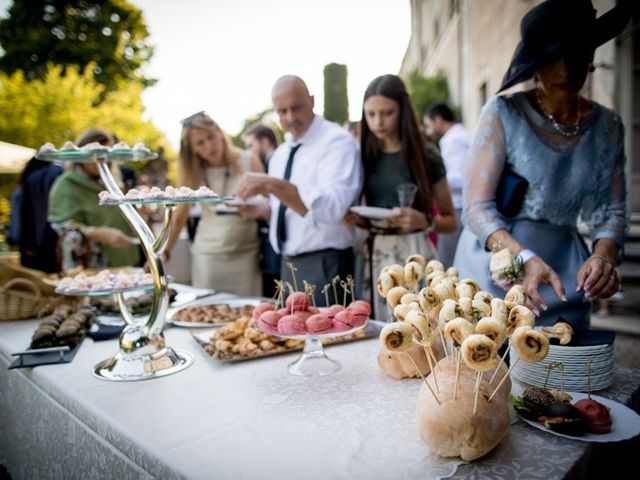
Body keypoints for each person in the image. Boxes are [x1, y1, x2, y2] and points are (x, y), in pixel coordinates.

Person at [453, 0, 631, 328]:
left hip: (565, 273)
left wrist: (602, 257)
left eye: (576, 53)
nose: (565, 70)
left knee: (567, 368)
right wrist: (523, 258)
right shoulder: (502, 113)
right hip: (499, 264)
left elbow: (613, 214)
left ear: (591, 56)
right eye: (552, 58)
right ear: (534, 64)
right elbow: (475, 208)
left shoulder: (609, 127)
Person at [236, 75, 363, 305]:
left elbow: (332, 208)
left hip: (325, 262)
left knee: (327, 339)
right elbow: (286, 211)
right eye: (282, 111)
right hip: (286, 264)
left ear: (312, 100)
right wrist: (260, 211)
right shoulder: (280, 154)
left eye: (296, 107)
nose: (290, 117)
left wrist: (273, 185)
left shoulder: (337, 142)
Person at [345, 74, 457, 319]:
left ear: (403, 110)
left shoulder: (426, 155)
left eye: (387, 113)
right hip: (375, 255)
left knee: (419, 330)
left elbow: (451, 221)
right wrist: (356, 218)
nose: (378, 122)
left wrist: (425, 221)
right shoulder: (362, 154)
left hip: (414, 254)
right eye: (371, 114)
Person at [165, 111, 264, 295]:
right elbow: (179, 217)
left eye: (210, 137)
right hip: (208, 257)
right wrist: (164, 252)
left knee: (247, 318)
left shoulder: (249, 160)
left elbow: (269, 201)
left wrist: (252, 208)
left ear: (219, 132)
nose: (209, 146)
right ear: (192, 149)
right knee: (207, 314)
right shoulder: (193, 172)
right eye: (200, 143)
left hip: (246, 255)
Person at [48, 128, 140, 270]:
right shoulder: (66, 185)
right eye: (99, 154)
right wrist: (96, 234)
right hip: (90, 267)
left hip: (123, 262)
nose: (106, 160)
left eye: (109, 154)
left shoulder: (110, 182)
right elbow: (62, 227)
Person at [424, 102, 470, 268]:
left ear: (438, 120)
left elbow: (460, 179)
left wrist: (435, 182)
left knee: (447, 263)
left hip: (457, 206)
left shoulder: (453, 140)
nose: (428, 131)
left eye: (428, 125)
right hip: (461, 205)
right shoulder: (461, 136)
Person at [244, 124, 281, 298]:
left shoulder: (276, 161)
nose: (249, 151)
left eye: (251, 145)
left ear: (264, 142)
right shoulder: (270, 162)